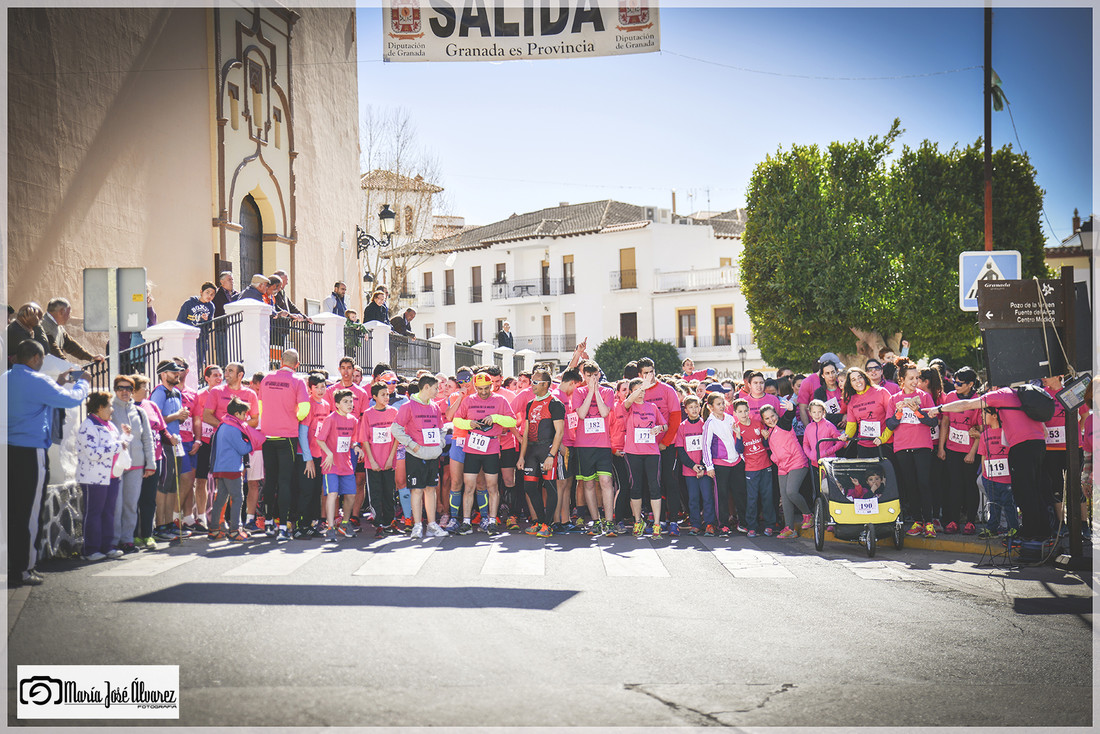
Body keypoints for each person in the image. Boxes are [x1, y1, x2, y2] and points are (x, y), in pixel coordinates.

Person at [4, 340, 91, 586]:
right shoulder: (38, 381)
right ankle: (23, 569)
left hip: (4, 450)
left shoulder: (4, 378)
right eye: (41, 359)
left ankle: (9, 564)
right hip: (29, 451)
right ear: (34, 358)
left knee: (9, 510)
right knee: (28, 512)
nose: (42, 363)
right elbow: (72, 400)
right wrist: (84, 381)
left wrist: (59, 382)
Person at [930, 385, 1047, 540]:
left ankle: (1031, 536)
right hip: (1038, 443)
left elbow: (966, 405)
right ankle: (1043, 532)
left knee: (1024, 491)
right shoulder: (1020, 395)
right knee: (1036, 490)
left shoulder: (1000, 395)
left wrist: (939, 409)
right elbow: (1044, 431)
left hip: (1021, 445)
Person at [453, 372, 516, 533]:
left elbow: (512, 421)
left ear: (492, 386)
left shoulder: (500, 400)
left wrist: (495, 418)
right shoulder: (469, 399)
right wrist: (469, 423)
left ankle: (492, 521)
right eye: (480, 389)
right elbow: (456, 419)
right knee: (469, 486)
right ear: (475, 387)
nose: (483, 392)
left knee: (492, 486)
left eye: (486, 388)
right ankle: (466, 522)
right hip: (472, 447)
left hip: (492, 447)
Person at [259, 349, 311, 541]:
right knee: (284, 482)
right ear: (297, 364)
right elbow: (305, 408)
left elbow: (261, 405)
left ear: (280, 361)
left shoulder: (266, 379)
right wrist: (293, 418)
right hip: (286, 435)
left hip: (267, 434)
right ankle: (282, 527)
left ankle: (268, 522)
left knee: (270, 480)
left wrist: (268, 421)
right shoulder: (297, 381)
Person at [389, 374, 449, 539]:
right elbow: (396, 429)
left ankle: (431, 525)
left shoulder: (435, 407)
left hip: (433, 455)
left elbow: (441, 428)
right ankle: (417, 525)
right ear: (427, 387)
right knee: (416, 490)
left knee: (431, 489)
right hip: (415, 454)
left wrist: (441, 443)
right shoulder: (408, 406)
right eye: (436, 388)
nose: (438, 391)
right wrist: (411, 444)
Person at [76, 390, 133, 561]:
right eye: (109, 406)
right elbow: (93, 453)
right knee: (94, 513)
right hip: (93, 479)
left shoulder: (109, 425)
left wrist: (125, 436)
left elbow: (117, 446)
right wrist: (119, 444)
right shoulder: (88, 426)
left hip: (112, 476)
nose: (112, 409)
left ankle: (107, 547)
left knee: (109, 512)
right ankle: (90, 550)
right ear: (100, 407)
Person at [885, 360, 938, 538]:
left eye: (917, 378)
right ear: (902, 380)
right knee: (910, 485)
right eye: (911, 378)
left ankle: (929, 522)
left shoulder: (924, 397)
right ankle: (917, 521)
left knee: (924, 483)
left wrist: (918, 412)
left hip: (922, 446)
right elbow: (890, 425)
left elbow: (933, 421)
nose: (915, 381)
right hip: (902, 447)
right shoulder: (894, 399)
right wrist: (898, 413)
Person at [516, 367, 565, 539]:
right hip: (532, 450)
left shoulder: (555, 403)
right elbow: (527, 432)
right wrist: (522, 456)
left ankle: (548, 524)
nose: (532, 385)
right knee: (529, 486)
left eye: (535, 382)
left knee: (550, 487)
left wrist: (552, 455)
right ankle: (539, 521)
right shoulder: (530, 403)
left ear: (545, 384)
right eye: (531, 382)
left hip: (547, 449)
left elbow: (559, 432)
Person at [636, 357, 683, 534]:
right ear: (640, 375)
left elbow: (675, 418)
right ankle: (659, 520)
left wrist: (665, 442)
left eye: (651, 372)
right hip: (647, 448)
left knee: (670, 481)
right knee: (653, 484)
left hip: (667, 445)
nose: (649, 375)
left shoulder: (667, 390)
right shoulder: (639, 392)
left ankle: (673, 522)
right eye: (646, 373)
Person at [109, 375, 155, 554]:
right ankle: (113, 540)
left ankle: (127, 539)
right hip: (115, 465)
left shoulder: (140, 412)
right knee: (116, 504)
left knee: (130, 504)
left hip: (136, 464)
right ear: (115, 389)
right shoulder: (109, 409)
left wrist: (150, 463)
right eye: (121, 388)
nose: (125, 391)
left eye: (129, 388)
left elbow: (147, 439)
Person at [571, 360, 617, 535]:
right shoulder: (579, 392)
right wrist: (590, 391)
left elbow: (605, 412)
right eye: (588, 375)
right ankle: (596, 520)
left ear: (599, 374)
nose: (592, 378)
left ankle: (609, 521)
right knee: (588, 483)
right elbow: (581, 414)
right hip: (584, 445)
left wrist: (596, 391)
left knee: (606, 481)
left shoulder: (608, 391)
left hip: (603, 444)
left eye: (594, 375)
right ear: (584, 376)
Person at [619, 375, 667, 537]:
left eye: (643, 390)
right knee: (636, 487)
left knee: (655, 487)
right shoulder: (628, 407)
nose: (641, 393)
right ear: (632, 392)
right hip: (633, 452)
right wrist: (641, 387)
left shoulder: (652, 407)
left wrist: (659, 429)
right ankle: (638, 521)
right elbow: (626, 403)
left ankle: (656, 524)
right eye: (638, 390)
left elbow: (665, 425)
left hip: (652, 452)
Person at [208, 397, 262, 541]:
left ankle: (214, 530)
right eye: (244, 414)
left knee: (221, 499)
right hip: (232, 468)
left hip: (221, 467)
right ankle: (234, 531)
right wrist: (254, 443)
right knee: (238, 498)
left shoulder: (223, 425)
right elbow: (242, 448)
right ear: (237, 414)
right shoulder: (233, 427)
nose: (245, 418)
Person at [316, 389, 364, 540]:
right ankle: (330, 527)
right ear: (337, 404)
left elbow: (352, 440)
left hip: (346, 464)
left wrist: (356, 447)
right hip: (331, 465)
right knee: (333, 494)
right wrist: (328, 453)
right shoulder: (331, 419)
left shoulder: (353, 420)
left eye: (351, 401)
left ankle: (344, 523)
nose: (350, 404)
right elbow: (320, 439)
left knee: (351, 495)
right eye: (346, 402)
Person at [938, 366, 981, 535]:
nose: (955, 385)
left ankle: (971, 521)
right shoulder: (950, 396)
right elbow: (945, 423)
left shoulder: (978, 400)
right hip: (952, 448)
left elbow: (980, 429)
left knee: (970, 485)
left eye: (960, 383)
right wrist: (941, 447)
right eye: (954, 382)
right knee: (954, 485)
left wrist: (972, 452)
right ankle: (953, 521)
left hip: (970, 449)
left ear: (970, 384)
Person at [150, 360, 190, 540]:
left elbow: (177, 420)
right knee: (164, 486)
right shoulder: (159, 393)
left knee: (174, 486)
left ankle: (169, 524)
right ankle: (160, 526)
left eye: (178, 372)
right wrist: (177, 416)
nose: (178, 375)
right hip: (165, 443)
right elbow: (155, 420)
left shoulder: (176, 392)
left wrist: (182, 417)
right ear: (163, 374)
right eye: (174, 373)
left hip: (177, 443)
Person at [761, 404, 811, 538]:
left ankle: (808, 514)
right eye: (767, 419)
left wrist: (791, 408)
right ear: (764, 421)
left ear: (777, 415)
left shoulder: (783, 424)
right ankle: (789, 528)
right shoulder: (770, 432)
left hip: (797, 462)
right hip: (782, 467)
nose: (771, 420)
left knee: (791, 492)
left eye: (772, 416)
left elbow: (788, 417)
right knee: (785, 497)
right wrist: (766, 438)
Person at [701, 391, 745, 535]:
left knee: (740, 493)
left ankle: (743, 522)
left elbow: (737, 437)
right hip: (720, 464)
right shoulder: (709, 423)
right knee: (722, 495)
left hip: (736, 461)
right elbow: (705, 446)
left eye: (723, 403)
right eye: (718, 404)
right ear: (710, 406)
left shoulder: (731, 418)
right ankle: (723, 524)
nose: (722, 406)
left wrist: (742, 457)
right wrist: (709, 466)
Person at [132, 374, 167, 549]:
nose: (148, 390)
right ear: (134, 389)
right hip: (136, 460)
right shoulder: (128, 408)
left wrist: (171, 439)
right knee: (133, 499)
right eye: (145, 387)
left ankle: (147, 534)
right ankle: (133, 536)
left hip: (155, 459)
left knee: (149, 499)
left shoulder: (152, 405)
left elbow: (162, 430)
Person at [974, 406, 1019, 539]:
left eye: (985, 413)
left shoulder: (1007, 432)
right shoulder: (984, 435)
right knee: (993, 503)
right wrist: (984, 475)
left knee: (1009, 503)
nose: (982, 416)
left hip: (1006, 478)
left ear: (994, 415)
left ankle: (1013, 528)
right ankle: (992, 528)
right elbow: (983, 455)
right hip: (990, 477)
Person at [296, 373, 333, 538]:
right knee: (305, 491)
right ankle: (298, 526)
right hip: (306, 456)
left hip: (320, 456)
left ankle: (311, 524)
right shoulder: (308, 405)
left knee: (316, 491)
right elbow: (302, 433)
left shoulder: (326, 404)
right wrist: (307, 458)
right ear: (309, 389)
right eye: (316, 387)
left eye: (323, 386)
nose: (320, 390)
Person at [733, 397, 775, 537]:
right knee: (752, 498)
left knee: (767, 496)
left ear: (749, 411)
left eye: (746, 410)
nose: (744, 414)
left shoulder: (758, 423)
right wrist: (738, 436)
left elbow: (766, 445)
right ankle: (752, 526)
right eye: (740, 412)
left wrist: (765, 437)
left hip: (765, 465)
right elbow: (739, 450)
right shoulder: (736, 428)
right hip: (750, 468)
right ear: (735, 413)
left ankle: (770, 525)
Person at [360, 382, 399, 538]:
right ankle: (378, 524)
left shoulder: (394, 412)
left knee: (389, 493)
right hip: (373, 463)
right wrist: (372, 460)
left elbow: (397, 437)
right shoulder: (368, 414)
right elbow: (364, 439)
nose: (386, 397)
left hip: (389, 461)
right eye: (383, 394)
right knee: (375, 494)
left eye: (387, 394)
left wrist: (391, 458)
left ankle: (390, 522)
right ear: (374, 397)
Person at [676, 395, 714, 535]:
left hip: (705, 469)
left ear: (700, 407)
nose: (694, 410)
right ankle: (695, 523)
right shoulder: (682, 427)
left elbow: (709, 447)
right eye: (690, 407)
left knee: (707, 496)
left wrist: (703, 466)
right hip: (690, 470)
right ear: (685, 410)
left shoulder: (705, 424)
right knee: (693, 499)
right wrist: (693, 466)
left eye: (696, 407)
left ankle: (709, 523)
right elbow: (681, 450)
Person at [842, 366, 894, 460]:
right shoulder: (852, 400)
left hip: (884, 444)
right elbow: (851, 425)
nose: (858, 381)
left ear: (865, 378)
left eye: (859, 377)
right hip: (863, 446)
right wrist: (846, 435)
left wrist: (883, 438)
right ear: (850, 384)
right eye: (853, 380)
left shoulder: (881, 392)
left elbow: (892, 418)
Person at [43, 297, 104, 364]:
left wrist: (91, 357)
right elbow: (55, 353)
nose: (69, 316)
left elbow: (70, 345)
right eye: (69, 313)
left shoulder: (58, 326)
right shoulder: (45, 326)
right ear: (61, 312)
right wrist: (71, 369)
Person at [812, 360, 846, 428]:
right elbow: (820, 414)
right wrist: (842, 417)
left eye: (833, 372)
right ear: (822, 375)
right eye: (827, 373)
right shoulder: (819, 393)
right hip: (829, 428)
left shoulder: (844, 387)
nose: (831, 376)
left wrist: (848, 417)